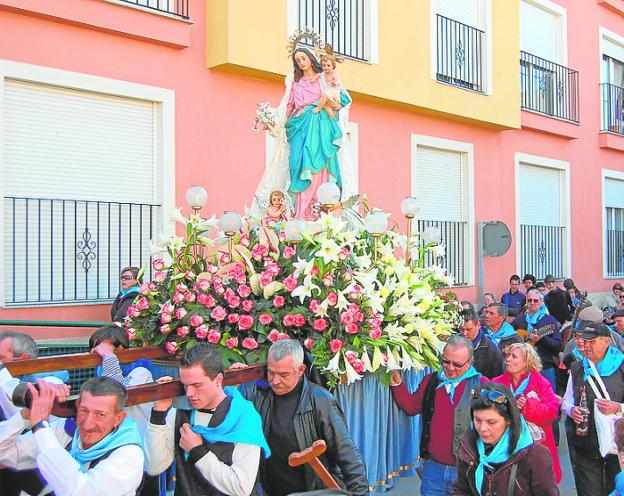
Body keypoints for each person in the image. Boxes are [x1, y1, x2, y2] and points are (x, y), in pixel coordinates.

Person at [236, 339, 368, 496]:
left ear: (300, 370)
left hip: (314, 492)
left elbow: (348, 455)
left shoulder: (320, 401)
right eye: (271, 372)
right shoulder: (256, 394)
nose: (275, 381)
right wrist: (233, 380)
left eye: (284, 374)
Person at [144, 343, 269, 496]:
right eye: (185, 385)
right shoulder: (179, 413)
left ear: (218, 380)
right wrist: (158, 415)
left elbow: (241, 488)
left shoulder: (243, 417)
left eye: (197, 385)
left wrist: (197, 451)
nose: (189, 393)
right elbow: (154, 467)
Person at [0, 377, 144, 496]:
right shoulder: (67, 429)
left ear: (119, 418)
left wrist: (41, 427)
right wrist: (29, 411)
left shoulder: (129, 454)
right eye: (84, 410)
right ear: (77, 405)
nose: (87, 424)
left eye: (100, 414)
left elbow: (79, 491)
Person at [391, 336, 487, 495]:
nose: (450, 368)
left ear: (469, 362)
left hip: (466, 470)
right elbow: (412, 407)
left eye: (457, 364)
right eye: (445, 361)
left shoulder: (481, 385)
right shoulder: (431, 381)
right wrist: (397, 384)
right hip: (433, 469)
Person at [452, 383, 559, 496]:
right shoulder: (468, 445)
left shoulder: (535, 456)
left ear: (509, 420)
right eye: (477, 420)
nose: (483, 429)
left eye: (491, 422)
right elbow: (461, 490)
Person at [562, 321, 624, 495]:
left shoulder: (621, 366)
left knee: (616, 488)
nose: (586, 346)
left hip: (617, 444)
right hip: (586, 442)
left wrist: (618, 407)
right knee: (589, 490)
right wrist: (572, 411)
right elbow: (566, 402)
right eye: (584, 341)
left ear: (606, 341)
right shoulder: (578, 368)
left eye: (592, 341)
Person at [492, 343, 562, 482]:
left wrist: (528, 406)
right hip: (504, 446)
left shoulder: (542, 383)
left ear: (527, 362)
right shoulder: (497, 383)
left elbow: (552, 413)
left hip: (535, 447)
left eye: (514, 356)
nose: (508, 359)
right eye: (507, 355)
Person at [511, 289, 562, 392]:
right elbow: (510, 341)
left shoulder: (549, 321)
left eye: (535, 300)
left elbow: (558, 345)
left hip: (544, 367)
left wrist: (542, 339)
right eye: (529, 300)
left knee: (549, 399)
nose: (532, 303)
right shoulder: (519, 321)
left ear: (541, 302)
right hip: (522, 369)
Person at [458, 310, 504, 379]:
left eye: (468, 330)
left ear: (478, 325)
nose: (464, 333)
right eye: (461, 329)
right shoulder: (452, 345)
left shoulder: (492, 351)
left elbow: (498, 380)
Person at [314, 48, 342, 119]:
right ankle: (331, 115)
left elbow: (339, 81)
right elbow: (318, 75)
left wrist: (335, 83)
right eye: (324, 65)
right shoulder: (323, 74)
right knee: (326, 106)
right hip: (327, 93)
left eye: (328, 66)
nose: (326, 67)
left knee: (324, 96)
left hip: (333, 93)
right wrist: (314, 78)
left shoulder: (334, 73)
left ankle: (319, 107)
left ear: (333, 66)